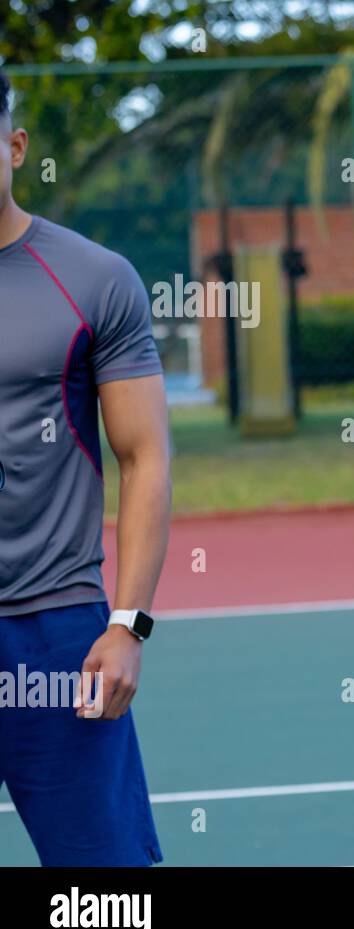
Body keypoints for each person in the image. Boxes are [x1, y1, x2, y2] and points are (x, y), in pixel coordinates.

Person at [0, 68, 171, 864]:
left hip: (59, 634)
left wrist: (126, 623)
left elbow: (143, 457)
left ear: (14, 146)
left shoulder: (95, 279)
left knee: (104, 895)